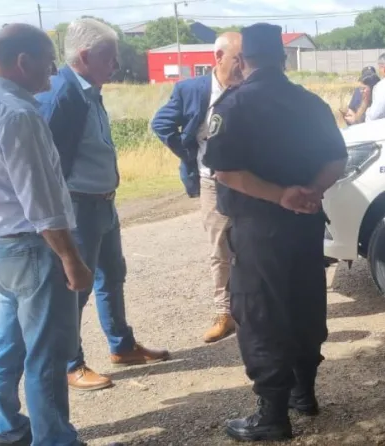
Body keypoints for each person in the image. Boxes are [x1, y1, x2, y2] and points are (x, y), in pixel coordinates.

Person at [202, 23, 348, 442]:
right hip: (304, 224)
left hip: (259, 227)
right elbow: (337, 157)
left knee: (261, 313)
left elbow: (226, 171)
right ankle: (305, 394)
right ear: (283, 59)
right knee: (305, 302)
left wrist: (280, 195)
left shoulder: (233, 105)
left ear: (243, 59)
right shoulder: (309, 103)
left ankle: (272, 414)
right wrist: (310, 192)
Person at [0, 23, 91, 446]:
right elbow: (41, 200)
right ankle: (54, 440)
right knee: (46, 354)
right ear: (23, 62)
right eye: (49, 62)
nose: (52, 71)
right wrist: (71, 257)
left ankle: (6, 428)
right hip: (32, 247)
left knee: (4, 344)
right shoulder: (19, 115)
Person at [36, 17, 170, 393]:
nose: (115, 65)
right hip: (79, 208)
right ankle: (70, 363)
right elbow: (51, 165)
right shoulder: (62, 95)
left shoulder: (89, 90)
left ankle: (122, 346)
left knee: (112, 275)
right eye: (108, 57)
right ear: (83, 56)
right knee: (75, 287)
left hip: (103, 205)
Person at [151, 32, 243, 343]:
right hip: (211, 182)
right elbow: (160, 124)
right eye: (236, 60)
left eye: (245, 60)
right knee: (220, 249)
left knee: (252, 244)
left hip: (250, 182)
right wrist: (189, 153)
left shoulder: (249, 89)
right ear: (218, 58)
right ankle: (224, 314)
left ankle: (253, 308)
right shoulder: (190, 90)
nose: (242, 67)